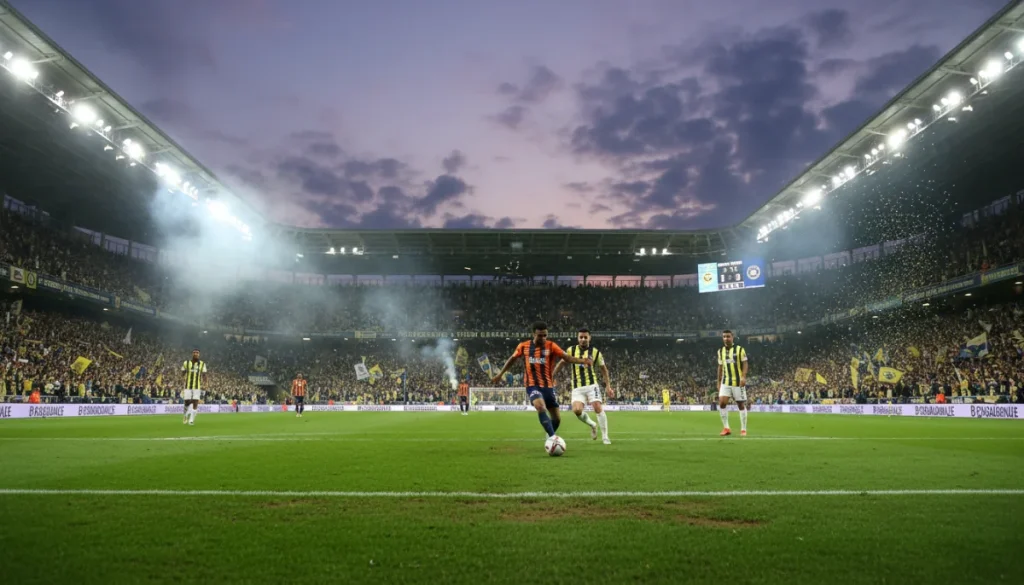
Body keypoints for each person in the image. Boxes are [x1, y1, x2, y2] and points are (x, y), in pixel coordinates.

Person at [491, 321, 593, 438]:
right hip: (532, 385)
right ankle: (553, 438)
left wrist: (583, 361)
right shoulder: (524, 346)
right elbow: (512, 359)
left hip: (548, 386)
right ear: (533, 334)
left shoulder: (551, 346)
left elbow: (566, 358)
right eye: (540, 335)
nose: (543, 338)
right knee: (540, 407)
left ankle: (549, 438)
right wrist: (500, 374)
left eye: (545, 335)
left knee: (557, 419)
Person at [552, 328, 612, 444]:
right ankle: (592, 424)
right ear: (578, 338)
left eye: (585, 337)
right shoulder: (571, 350)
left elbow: (604, 369)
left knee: (597, 407)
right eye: (581, 337)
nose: (583, 339)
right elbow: (562, 363)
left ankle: (605, 437)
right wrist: (552, 375)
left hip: (592, 385)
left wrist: (608, 386)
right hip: (577, 387)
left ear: (589, 338)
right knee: (577, 410)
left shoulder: (596, 352)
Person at [716, 330, 748, 436]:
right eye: (724, 337)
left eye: (728, 336)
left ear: (732, 337)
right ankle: (726, 428)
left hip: (738, 382)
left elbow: (745, 363)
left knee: (740, 405)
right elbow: (720, 367)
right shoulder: (720, 351)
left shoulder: (740, 350)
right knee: (722, 403)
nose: (726, 338)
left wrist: (743, 377)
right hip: (725, 382)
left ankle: (743, 429)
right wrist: (718, 381)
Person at [181, 349, 207, 426]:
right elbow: (182, 373)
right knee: (187, 402)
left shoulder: (202, 364)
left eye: (197, 353)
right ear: (192, 354)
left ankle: (191, 420)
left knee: (195, 402)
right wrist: (181, 379)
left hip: (197, 386)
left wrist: (205, 383)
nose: (196, 354)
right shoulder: (186, 363)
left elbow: (204, 375)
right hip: (188, 386)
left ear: (199, 354)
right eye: (194, 352)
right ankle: (185, 415)